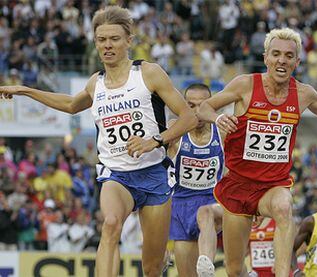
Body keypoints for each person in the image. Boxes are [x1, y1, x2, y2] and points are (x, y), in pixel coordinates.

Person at [0, 6, 197, 277]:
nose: (107, 45)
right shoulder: (96, 83)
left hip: (154, 174)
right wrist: (24, 90)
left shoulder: (148, 73)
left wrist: (156, 141)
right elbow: (70, 104)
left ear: (129, 40)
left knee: (152, 267)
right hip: (116, 174)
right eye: (101, 39)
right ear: (95, 42)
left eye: (114, 38)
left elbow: (188, 117)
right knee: (111, 224)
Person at [197, 27, 317, 277]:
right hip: (238, 184)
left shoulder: (303, 93)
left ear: (297, 62)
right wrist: (218, 118)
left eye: (289, 56)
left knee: (284, 207)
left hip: (272, 186)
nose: (282, 60)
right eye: (276, 54)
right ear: (266, 57)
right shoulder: (245, 85)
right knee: (234, 269)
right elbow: (203, 108)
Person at [168, 83, 225, 277]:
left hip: (213, 202)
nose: (197, 111)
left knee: (205, 213)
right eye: (191, 105)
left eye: (203, 105)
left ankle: (209, 264)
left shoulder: (223, 132)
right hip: (181, 207)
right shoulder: (174, 132)